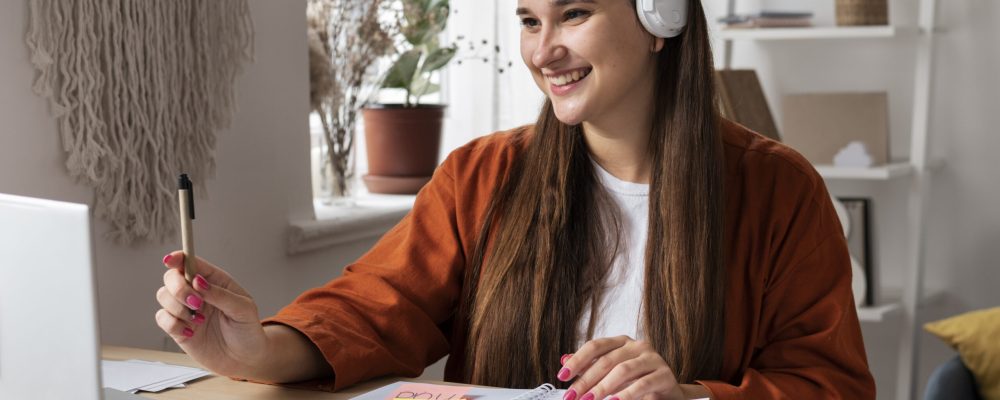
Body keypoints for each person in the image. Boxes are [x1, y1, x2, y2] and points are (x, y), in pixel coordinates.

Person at [153, 0, 877, 399]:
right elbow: (373, 309)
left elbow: (830, 387)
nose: (543, 50)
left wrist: (689, 398)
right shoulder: (483, 176)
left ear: (663, 21)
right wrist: (258, 349)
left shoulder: (780, 191)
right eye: (530, 20)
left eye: (574, 14)